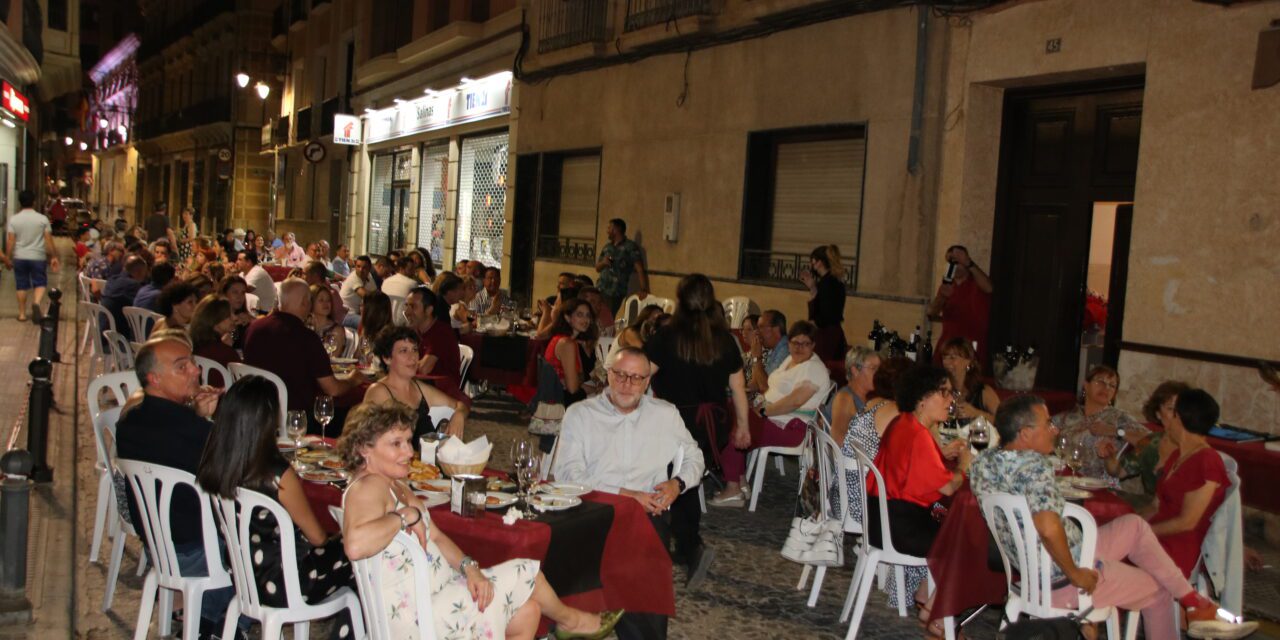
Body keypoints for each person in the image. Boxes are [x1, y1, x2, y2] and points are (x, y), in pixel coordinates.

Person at [972, 394, 1257, 640]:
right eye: (1047, 424)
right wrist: (1076, 573)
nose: (1054, 429)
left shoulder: (983, 463)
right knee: (1158, 590)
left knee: (1133, 525)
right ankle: (1196, 606)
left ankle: (1195, 604)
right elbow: (1047, 528)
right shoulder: (1035, 467)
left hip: (1036, 566)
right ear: (1024, 434)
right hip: (1061, 577)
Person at [339, 402, 622, 640]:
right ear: (364, 449)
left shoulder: (394, 483)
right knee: (528, 572)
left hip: (437, 595)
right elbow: (354, 544)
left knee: (529, 612)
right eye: (396, 444)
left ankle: (569, 622)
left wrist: (470, 568)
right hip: (417, 618)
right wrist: (405, 515)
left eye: (408, 441)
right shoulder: (369, 487)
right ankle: (572, 622)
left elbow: (436, 536)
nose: (409, 452)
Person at [195, 376, 355, 640]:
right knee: (357, 551)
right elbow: (317, 537)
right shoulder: (277, 474)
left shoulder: (217, 460)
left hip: (247, 578)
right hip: (287, 584)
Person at [115, 336, 235, 636]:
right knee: (275, 539)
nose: (196, 371)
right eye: (182, 367)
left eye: (192, 363)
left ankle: (194, 611)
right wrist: (211, 423)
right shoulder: (192, 430)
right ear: (154, 378)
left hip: (158, 547)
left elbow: (171, 437)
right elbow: (237, 467)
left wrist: (196, 414)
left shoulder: (130, 420)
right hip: (201, 550)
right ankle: (218, 622)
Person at [644, 274, 748, 588]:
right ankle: (685, 545)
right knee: (687, 479)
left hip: (675, 421)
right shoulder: (724, 340)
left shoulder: (666, 337)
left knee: (678, 480)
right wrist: (742, 427)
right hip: (713, 422)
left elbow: (642, 375)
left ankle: (689, 545)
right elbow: (738, 388)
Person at [711, 321, 831, 508]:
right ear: (788, 343)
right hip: (775, 418)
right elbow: (771, 387)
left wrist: (763, 411)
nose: (799, 348)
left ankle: (733, 487)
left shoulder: (814, 368)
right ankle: (740, 481)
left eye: (805, 343)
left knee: (736, 423)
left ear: (813, 345)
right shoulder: (789, 360)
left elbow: (794, 401)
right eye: (795, 343)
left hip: (792, 427)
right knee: (731, 410)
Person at [243, 278, 366, 433]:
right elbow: (333, 389)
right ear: (305, 303)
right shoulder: (305, 337)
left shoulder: (254, 328)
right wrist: (353, 380)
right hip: (295, 418)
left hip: (255, 412)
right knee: (355, 414)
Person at [840, 356, 908, 537]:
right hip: (860, 504)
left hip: (843, 492)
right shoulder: (895, 411)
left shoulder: (873, 403)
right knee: (934, 512)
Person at [363, 326, 467, 440]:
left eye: (415, 349)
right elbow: (366, 438)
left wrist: (459, 414)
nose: (412, 357)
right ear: (387, 358)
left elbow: (460, 405)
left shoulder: (420, 389)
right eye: (404, 351)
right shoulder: (379, 392)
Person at [1052, 364, 1147, 487]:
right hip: (1062, 479)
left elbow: (1151, 440)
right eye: (1100, 381)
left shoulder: (1118, 417)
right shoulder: (1068, 416)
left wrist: (1114, 431)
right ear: (1086, 385)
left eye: (1112, 385)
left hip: (1097, 485)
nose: (1106, 387)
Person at [927, 245, 993, 367]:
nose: (953, 265)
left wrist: (968, 262)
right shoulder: (948, 285)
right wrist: (942, 296)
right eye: (950, 261)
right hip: (949, 346)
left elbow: (989, 288)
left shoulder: (977, 281)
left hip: (971, 348)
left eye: (957, 261)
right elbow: (931, 312)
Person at [5, 190, 61, 321]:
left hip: (19, 257)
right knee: (40, 283)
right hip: (38, 257)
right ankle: (36, 302)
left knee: (21, 285)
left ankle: (22, 314)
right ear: (34, 202)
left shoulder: (14, 219)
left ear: (20, 203)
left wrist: (7, 257)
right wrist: (54, 256)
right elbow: (48, 240)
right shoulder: (42, 219)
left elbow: (11, 240)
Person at [403, 286, 463, 394]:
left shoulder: (441, 332)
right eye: (406, 306)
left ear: (429, 310)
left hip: (443, 394)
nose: (407, 312)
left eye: (413, 307)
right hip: (422, 387)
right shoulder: (416, 332)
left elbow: (424, 369)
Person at [545, 298, 600, 407]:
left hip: (554, 397)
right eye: (579, 315)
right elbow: (573, 388)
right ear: (567, 317)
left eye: (588, 315)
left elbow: (579, 379)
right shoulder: (567, 344)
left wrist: (595, 388)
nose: (585, 320)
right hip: (558, 404)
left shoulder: (564, 340)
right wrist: (577, 380)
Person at [799, 244, 848, 362]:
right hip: (834, 335)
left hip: (826, 337)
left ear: (819, 262)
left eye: (813, 261)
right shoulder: (834, 281)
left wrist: (811, 325)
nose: (811, 265)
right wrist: (812, 287)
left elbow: (823, 315)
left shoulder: (827, 284)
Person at [939, 337, 1000, 425]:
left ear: (968, 361)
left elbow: (1004, 421)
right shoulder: (941, 390)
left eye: (952, 358)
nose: (947, 362)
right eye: (944, 357)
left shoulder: (983, 392)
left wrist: (976, 413)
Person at [594, 218, 649, 314]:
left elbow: (639, 269)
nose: (607, 231)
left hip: (615, 291)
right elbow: (597, 268)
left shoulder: (630, 247)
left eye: (609, 228)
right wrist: (603, 263)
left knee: (607, 317)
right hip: (600, 288)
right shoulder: (607, 247)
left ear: (616, 229)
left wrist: (644, 289)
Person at [829, 346, 881, 446]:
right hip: (847, 459)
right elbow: (838, 439)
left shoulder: (867, 397)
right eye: (873, 368)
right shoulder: (844, 398)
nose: (878, 373)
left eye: (879, 368)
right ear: (855, 370)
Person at [189, 295, 241, 381]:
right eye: (228, 315)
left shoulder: (193, 345)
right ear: (214, 321)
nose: (235, 318)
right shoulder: (226, 354)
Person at [102, 255, 149, 340]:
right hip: (119, 339)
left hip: (102, 333)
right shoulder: (133, 285)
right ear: (139, 272)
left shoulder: (112, 280)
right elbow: (142, 307)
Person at [745, 309, 789, 394]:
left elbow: (765, 388)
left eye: (761, 327)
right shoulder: (774, 349)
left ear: (776, 330)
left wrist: (757, 358)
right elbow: (755, 384)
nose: (757, 332)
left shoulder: (786, 351)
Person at [306, 284, 347, 358]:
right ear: (311, 302)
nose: (326, 304)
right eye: (321, 300)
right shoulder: (305, 326)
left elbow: (333, 357)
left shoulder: (336, 330)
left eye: (328, 300)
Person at [339, 255, 375, 330]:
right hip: (345, 314)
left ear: (369, 268)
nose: (361, 269)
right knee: (368, 324)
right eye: (358, 266)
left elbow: (375, 293)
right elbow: (365, 295)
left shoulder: (369, 276)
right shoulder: (353, 277)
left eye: (364, 267)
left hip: (357, 313)